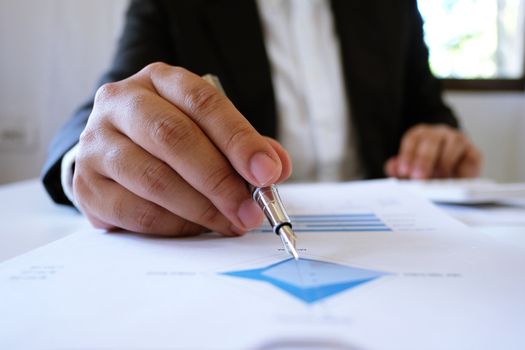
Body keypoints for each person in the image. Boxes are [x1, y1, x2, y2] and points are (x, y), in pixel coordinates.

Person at [42, 0, 482, 237]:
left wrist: (440, 140)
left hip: (390, 232)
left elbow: (430, 112)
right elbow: (111, 103)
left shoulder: (394, 7)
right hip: (236, 232)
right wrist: (90, 158)